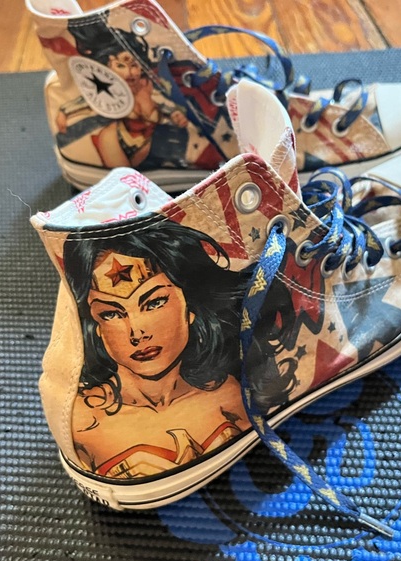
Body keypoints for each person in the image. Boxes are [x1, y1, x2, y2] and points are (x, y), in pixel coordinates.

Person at [63, 216, 297, 479]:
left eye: (154, 303)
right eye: (111, 314)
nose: (137, 333)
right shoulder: (84, 421)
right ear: (95, 327)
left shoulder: (229, 395)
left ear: (190, 307)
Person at [56, 14, 189, 170]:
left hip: (156, 139)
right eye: (120, 66)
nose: (129, 72)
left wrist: (174, 112)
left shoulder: (147, 85)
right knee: (108, 137)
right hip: (123, 142)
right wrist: (64, 111)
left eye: (134, 65)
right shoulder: (109, 88)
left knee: (171, 133)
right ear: (107, 67)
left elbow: (163, 102)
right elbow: (87, 98)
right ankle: (124, 178)